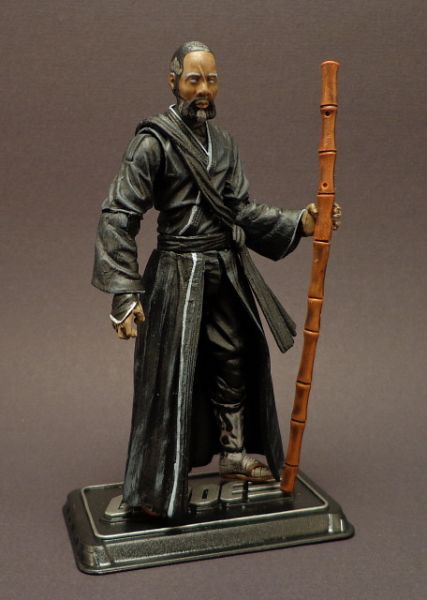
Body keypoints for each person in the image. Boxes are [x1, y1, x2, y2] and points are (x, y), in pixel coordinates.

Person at [92, 41, 341, 519]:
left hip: (224, 268)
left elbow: (241, 210)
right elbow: (118, 214)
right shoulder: (153, 142)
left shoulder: (223, 143)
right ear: (173, 83)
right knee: (173, 376)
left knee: (234, 357)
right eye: (194, 80)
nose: (203, 90)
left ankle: (233, 452)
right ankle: (160, 484)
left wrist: (299, 222)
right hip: (176, 275)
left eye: (211, 80)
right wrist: (124, 293)